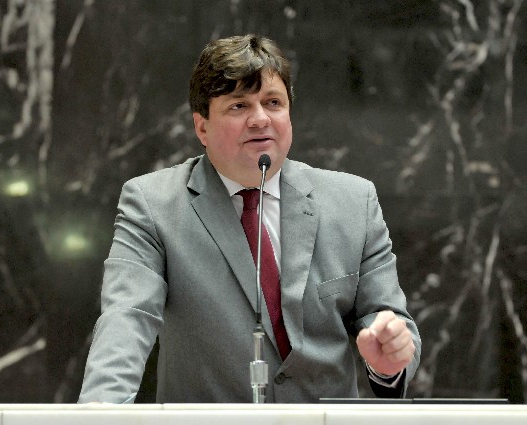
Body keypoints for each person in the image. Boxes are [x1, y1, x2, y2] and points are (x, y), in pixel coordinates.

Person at [78, 34, 421, 404]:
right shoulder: (154, 204)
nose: (260, 119)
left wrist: (389, 360)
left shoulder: (353, 202)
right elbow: (127, 316)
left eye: (273, 103)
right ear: (202, 127)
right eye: (239, 105)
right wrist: (100, 412)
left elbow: (388, 321)